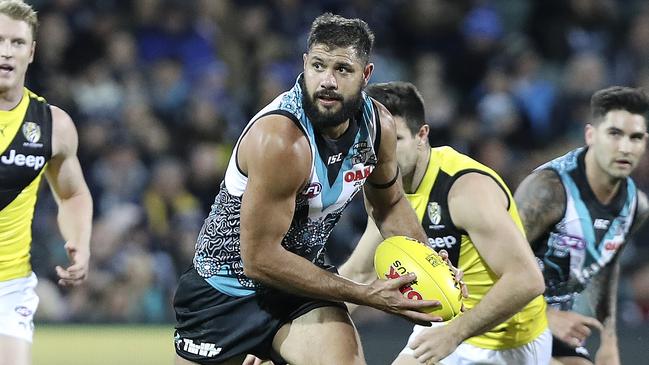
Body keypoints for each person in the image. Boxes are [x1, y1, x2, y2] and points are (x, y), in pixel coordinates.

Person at [173, 14, 442, 365]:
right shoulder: (281, 140)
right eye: (318, 65)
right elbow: (260, 260)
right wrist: (365, 295)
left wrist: (434, 266)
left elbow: (389, 205)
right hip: (223, 294)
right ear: (304, 64)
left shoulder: (378, 127)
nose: (327, 81)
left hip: (298, 287)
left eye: (343, 69)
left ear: (366, 74)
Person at [340, 81, 551, 364]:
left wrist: (455, 334)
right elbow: (359, 272)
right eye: (374, 140)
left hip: (509, 339)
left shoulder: (465, 190)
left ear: (422, 135)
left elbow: (527, 280)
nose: (383, 153)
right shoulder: (384, 188)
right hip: (447, 324)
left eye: (396, 140)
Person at [514, 86, 649, 365]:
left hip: (555, 325)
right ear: (591, 135)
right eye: (614, 134)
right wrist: (545, 315)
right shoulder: (548, 191)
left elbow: (606, 267)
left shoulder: (635, 207)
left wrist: (609, 343)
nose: (625, 147)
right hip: (500, 317)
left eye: (635, 138)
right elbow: (489, 262)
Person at [0, 2, 93, 365]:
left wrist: (79, 243)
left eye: (17, 42)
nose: (6, 51)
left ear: (32, 51)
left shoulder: (53, 126)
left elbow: (72, 194)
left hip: (9, 287)